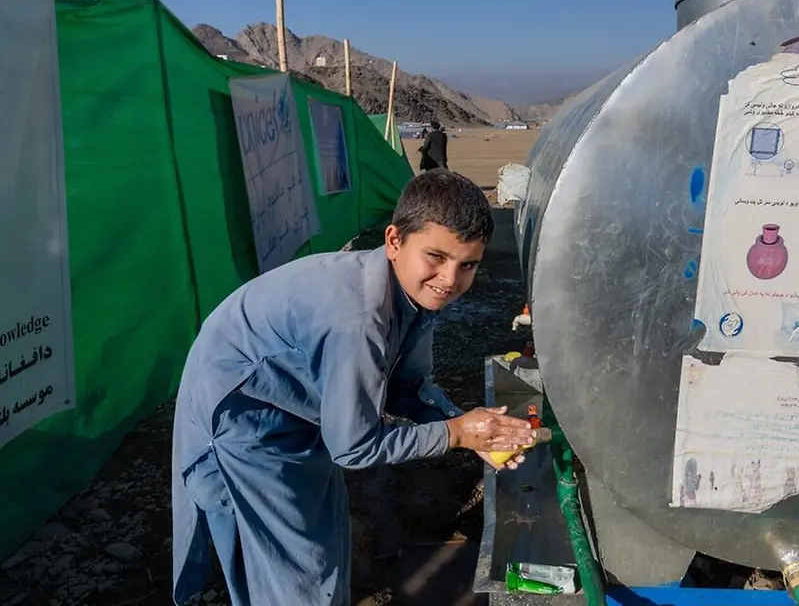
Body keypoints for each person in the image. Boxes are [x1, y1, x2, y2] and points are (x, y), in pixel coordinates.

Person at [170, 169, 536, 606]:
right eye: (436, 257)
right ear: (394, 240)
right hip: (244, 420)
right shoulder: (357, 319)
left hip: (298, 408)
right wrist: (455, 434)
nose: (450, 279)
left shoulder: (409, 292)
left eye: (467, 265)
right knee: (295, 570)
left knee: (324, 540)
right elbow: (353, 447)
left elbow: (407, 385)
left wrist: (466, 427)